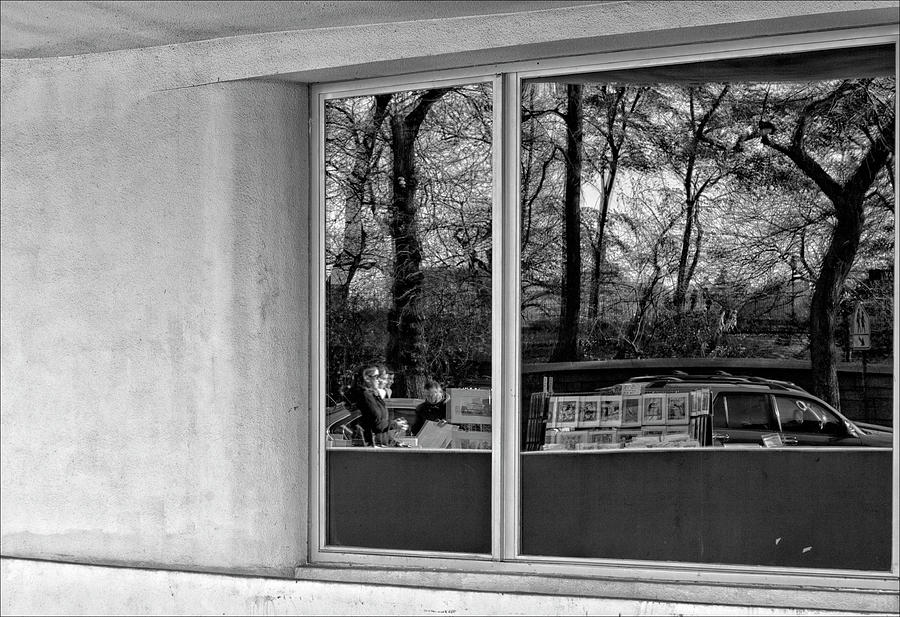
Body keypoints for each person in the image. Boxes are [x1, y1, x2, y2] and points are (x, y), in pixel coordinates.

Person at [347, 364, 390, 446]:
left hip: (380, 444)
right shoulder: (364, 395)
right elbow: (376, 423)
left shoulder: (373, 395)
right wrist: (393, 424)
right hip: (370, 446)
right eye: (376, 376)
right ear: (366, 378)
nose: (379, 380)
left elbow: (382, 421)